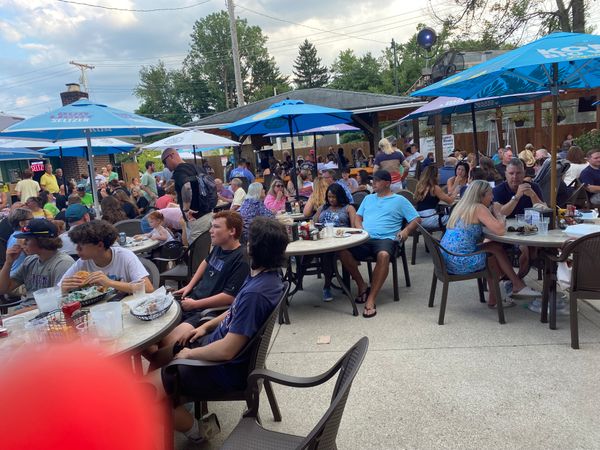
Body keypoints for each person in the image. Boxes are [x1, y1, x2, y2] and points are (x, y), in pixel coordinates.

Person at [147, 216, 286, 444]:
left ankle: (196, 431)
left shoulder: (256, 294)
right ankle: (173, 400)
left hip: (218, 369)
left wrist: (189, 354)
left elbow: (227, 350)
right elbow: (235, 308)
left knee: (141, 394)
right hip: (212, 346)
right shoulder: (267, 276)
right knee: (157, 356)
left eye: (249, 240)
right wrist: (207, 326)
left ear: (255, 248)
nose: (246, 243)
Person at [440, 180, 540, 308]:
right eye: (490, 194)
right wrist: (498, 212)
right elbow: (500, 230)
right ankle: (501, 294)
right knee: (491, 257)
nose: (492, 197)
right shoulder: (478, 207)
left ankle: (514, 284)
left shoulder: (461, 206)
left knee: (495, 247)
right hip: (461, 261)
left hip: (448, 257)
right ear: (481, 195)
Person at [338, 170, 420, 318]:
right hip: (364, 238)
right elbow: (358, 217)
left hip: (386, 239)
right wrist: (360, 229)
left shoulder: (399, 200)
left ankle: (371, 298)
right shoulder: (368, 198)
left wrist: (406, 230)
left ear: (387, 183)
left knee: (383, 255)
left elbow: (416, 219)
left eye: (377, 180)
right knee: (342, 250)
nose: (373, 183)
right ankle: (362, 285)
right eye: (373, 180)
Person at [59, 220, 153, 295]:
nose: (77, 249)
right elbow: (59, 289)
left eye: (81, 245)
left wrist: (110, 283)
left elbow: (148, 288)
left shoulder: (124, 256)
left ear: (100, 245)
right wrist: (63, 289)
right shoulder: (82, 263)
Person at [0, 219, 74, 300]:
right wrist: (8, 263)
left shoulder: (62, 263)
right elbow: (2, 289)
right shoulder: (29, 261)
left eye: (27, 239)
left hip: (46, 306)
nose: (24, 243)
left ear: (42, 241)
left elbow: (59, 299)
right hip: (27, 306)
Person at [161, 148, 213, 246]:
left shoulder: (179, 170)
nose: (165, 166)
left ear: (171, 156)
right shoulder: (197, 168)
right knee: (209, 249)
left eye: (164, 162)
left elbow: (187, 186)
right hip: (208, 215)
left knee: (198, 251)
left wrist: (186, 209)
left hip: (195, 220)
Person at [314, 183, 357, 301]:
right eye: (329, 197)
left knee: (327, 254)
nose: (331, 199)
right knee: (306, 253)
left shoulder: (348, 208)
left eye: (334, 197)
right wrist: (317, 214)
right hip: (323, 239)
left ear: (340, 196)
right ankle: (299, 276)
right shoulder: (323, 208)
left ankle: (327, 286)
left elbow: (354, 227)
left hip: (341, 241)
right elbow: (314, 223)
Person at [414, 166, 454, 230]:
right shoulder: (434, 188)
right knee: (455, 219)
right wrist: (456, 187)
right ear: (434, 176)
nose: (439, 175)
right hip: (430, 218)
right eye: (438, 173)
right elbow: (450, 201)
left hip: (419, 218)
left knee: (448, 212)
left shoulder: (420, 186)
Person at [6, 207, 33, 276]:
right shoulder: (22, 238)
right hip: (19, 278)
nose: (34, 221)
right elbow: (34, 258)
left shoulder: (13, 235)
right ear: (22, 223)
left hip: (13, 274)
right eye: (31, 219)